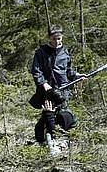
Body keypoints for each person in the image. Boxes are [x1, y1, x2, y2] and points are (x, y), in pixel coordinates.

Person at [29, 25, 85, 154]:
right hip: (47, 92)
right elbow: (36, 71)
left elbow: (68, 71)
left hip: (63, 91)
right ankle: (47, 141)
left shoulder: (65, 52)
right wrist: (43, 83)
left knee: (65, 115)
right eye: (54, 39)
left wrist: (77, 75)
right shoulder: (41, 52)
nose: (57, 41)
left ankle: (66, 141)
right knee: (48, 114)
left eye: (59, 38)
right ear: (49, 38)